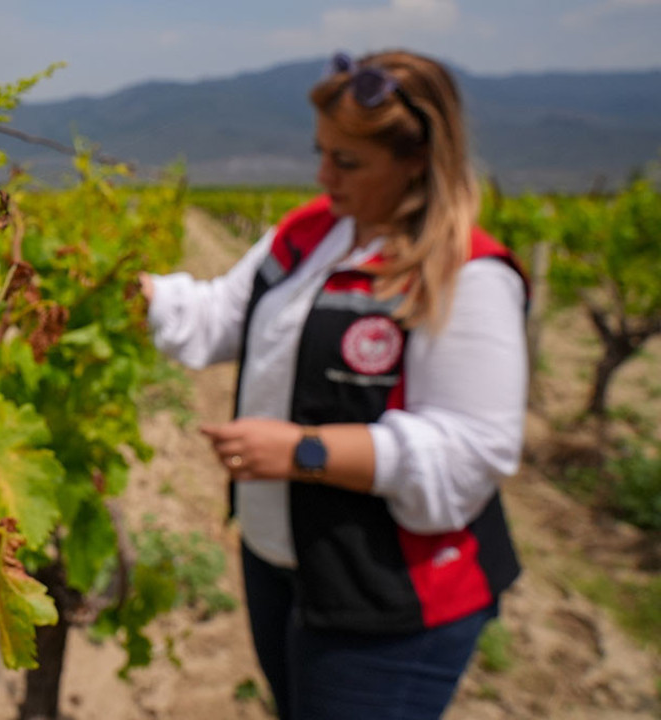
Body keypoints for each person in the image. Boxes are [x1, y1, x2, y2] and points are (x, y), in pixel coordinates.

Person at [141, 50, 529, 720]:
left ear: (418, 159)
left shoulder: (466, 273)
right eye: (322, 152)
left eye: (347, 162)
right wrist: (127, 289)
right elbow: (218, 318)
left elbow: (475, 449)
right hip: (282, 564)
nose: (324, 176)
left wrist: (303, 452)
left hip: (389, 594)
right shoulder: (308, 234)